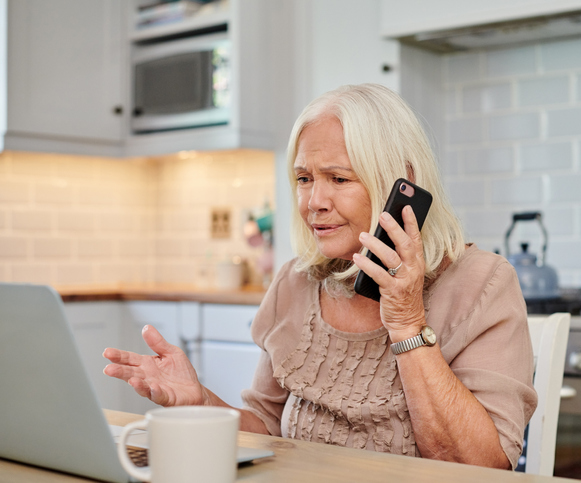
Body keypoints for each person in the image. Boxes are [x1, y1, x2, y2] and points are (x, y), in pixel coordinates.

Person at [103, 83, 537, 470]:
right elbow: (266, 429)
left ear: (399, 183)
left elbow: (484, 466)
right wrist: (200, 402)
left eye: (338, 178)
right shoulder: (294, 282)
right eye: (304, 178)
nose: (314, 201)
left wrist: (406, 323)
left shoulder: (484, 283)